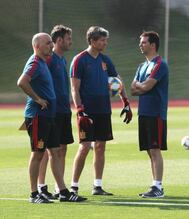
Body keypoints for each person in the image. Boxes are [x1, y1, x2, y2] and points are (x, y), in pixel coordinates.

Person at [17, 32, 86, 203]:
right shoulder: (34, 62)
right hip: (38, 116)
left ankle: (63, 191)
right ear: (37, 46)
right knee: (38, 153)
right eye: (47, 43)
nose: (51, 45)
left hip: (49, 116)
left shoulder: (43, 62)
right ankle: (34, 194)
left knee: (55, 152)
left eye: (50, 42)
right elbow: (22, 82)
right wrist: (38, 99)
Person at [70, 26, 132, 196]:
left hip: (104, 109)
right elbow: (74, 88)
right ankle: (73, 186)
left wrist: (125, 101)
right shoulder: (79, 60)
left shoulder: (106, 60)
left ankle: (97, 186)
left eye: (106, 40)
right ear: (92, 41)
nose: (105, 43)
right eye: (102, 40)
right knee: (84, 147)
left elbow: (118, 81)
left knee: (100, 147)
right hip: (87, 111)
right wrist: (80, 109)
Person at [36, 25, 74, 199]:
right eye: (68, 39)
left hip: (64, 110)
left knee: (62, 149)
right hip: (53, 111)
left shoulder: (62, 60)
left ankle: (61, 188)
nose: (70, 42)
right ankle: (42, 186)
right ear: (59, 40)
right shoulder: (49, 60)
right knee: (48, 150)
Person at [131, 31, 169, 198]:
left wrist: (142, 86)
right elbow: (133, 89)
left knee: (155, 149)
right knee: (149, 150)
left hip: (155, 113)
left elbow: (145, 87)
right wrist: (142, 85)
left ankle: (158, 187)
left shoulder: (160, 64)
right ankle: (154, 185)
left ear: (153, 45)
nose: (141, 45)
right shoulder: (142, 66)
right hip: (144, 112)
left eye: (144, 42)